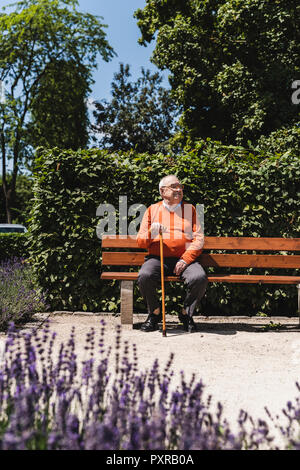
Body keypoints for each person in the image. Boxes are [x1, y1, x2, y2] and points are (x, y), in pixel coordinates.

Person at [137, 174, 208, 333]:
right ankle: (154, 314)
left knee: (199, 278)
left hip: (185, 259)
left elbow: (199, 239)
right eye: (174, 186)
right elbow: (141, 241)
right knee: (145, 276)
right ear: (162, 192)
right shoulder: (152, 210)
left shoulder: (190, 209)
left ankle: (186, 314)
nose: (179, 189)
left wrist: (185, 259)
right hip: (157, 258)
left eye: (180, 187)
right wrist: (151, 232)